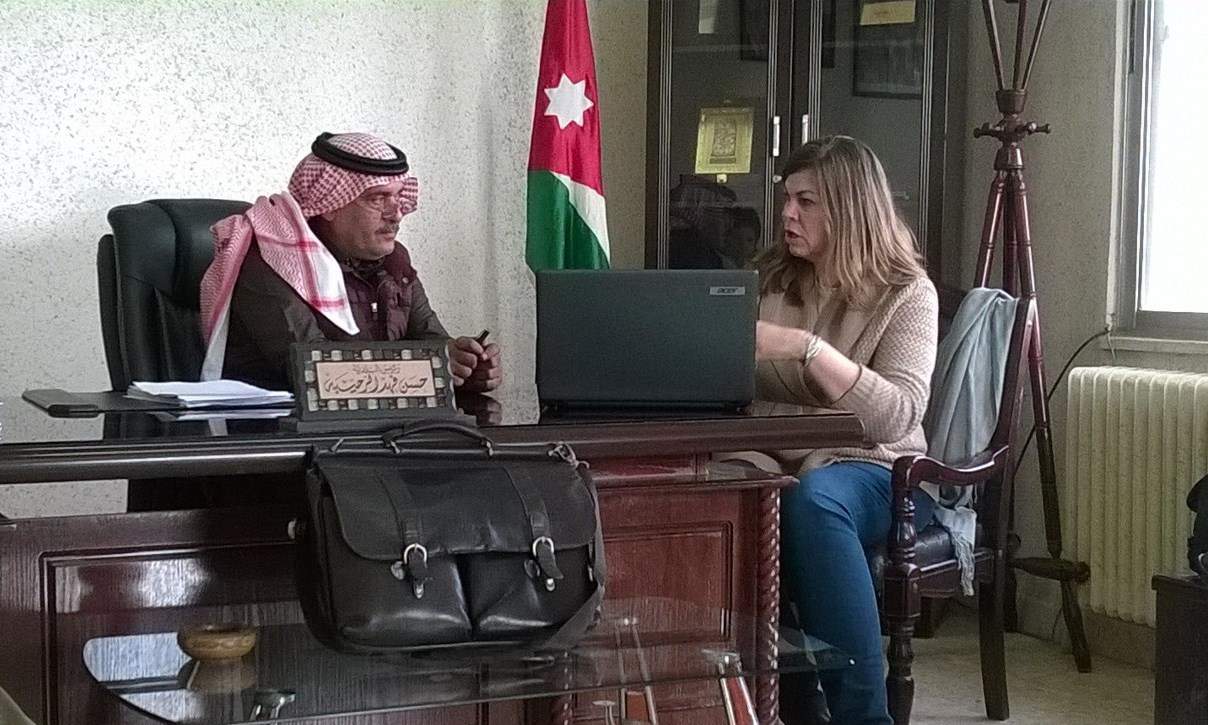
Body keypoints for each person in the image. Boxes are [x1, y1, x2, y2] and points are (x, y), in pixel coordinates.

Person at [751, 136, 938, 724]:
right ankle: (783, 709)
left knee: (814, 500)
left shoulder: (908, 295)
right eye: (787, 199)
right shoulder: (769, 282)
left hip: (879, 474)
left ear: (849, 207)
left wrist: (807, 349)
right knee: (724, 497)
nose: (787, 213)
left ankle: (863, 716)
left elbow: (897, 415)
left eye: (806, 201)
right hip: (772, 459)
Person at [199, 132, 502, 393]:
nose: (396, 213)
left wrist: (465, 365)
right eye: (377, 198)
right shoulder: (270, 262)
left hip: (376, 435)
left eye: (398, 196)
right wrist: (429, 367)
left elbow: (432, 341)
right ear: (329, 205)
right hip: (280, 444)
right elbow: (318, 372)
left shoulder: (394, 261)